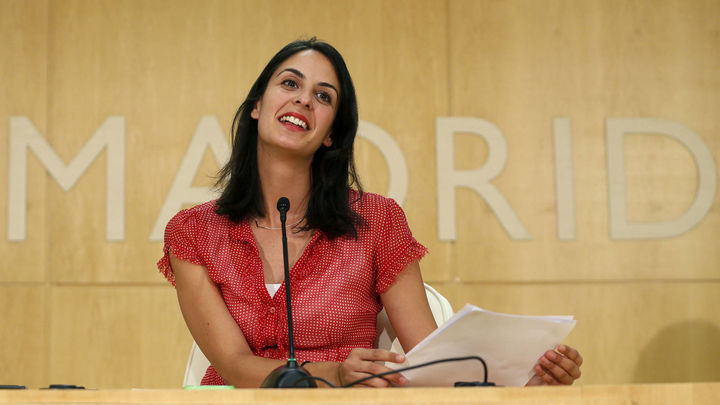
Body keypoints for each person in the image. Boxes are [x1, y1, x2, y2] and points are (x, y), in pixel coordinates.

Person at [157, 38, 583, 388]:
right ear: (256, 105)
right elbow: (234, 365)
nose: (303, 100)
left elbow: (430, 360)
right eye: (290, 83)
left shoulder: (377, 221)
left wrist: (525, 384)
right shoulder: (193, 233)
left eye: (323, 96)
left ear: (331, 134)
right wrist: (333, 374)